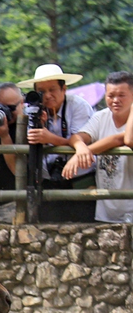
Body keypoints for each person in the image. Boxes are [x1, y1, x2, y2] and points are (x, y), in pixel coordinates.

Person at [15, 63, 95, 222]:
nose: (47, 95)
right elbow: (28, 144)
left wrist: (50, 138)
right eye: (41, 91)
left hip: (80, 180)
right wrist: (39, 125)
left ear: (64, 89)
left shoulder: (78, 106)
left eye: (52, 90)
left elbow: (80, 141)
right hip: (47, 181)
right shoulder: (32, 111)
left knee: (84, 228)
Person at [62, 71, 133, 223]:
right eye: (111, 95)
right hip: (105, 212)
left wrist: (86, 152)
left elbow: (122, 139)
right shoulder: (101, 117)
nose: (115, 100)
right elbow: (77, 136)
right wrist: (81, 148)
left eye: (122, 95)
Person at [0, 83, 24, 223]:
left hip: (18, 200)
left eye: (10, 108)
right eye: (0, 107)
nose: (5, 112)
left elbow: (18, 170)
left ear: (22, 103)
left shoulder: (27, 127)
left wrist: (4, 136)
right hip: (0, 200)